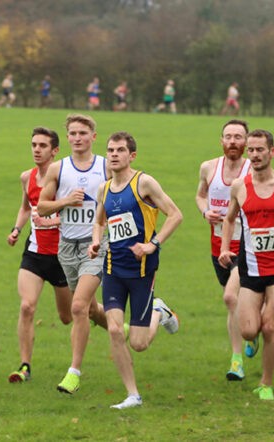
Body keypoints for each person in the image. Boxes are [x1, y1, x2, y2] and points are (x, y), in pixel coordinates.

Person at [89, 131, 183, 409]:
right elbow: (99, 222)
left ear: (132, 155)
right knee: (116, 331)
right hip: (113, 268)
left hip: (142, 271)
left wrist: (153, 244)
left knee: (139, 344)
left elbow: (176, 214)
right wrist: (95, 242)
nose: (113, 154)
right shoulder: (103, 189)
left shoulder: (144, 182)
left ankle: (159, 311)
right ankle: (133, 395)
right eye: (110, 150)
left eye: (119, 150)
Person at [218, 129, 274, 400]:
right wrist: (225, 248)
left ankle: (266, 383)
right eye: (252, 150)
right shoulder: (240, 186)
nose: (255, 155)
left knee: (270, 326)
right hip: (250, 267)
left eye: (260, 150)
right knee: (248, 329)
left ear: (273, 152)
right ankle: (252, 338)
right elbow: (229, 219)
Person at [36, 114, 109, 395]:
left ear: (93, 136)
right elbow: (42, 207)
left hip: (97, 245)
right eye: (73, 133)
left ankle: (73, 373)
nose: (78, 138)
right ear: (67, 138)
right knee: (89, 308)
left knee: (77, 307)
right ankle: (122, 327)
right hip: (67, 246)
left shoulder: (105, 166)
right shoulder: (58, 168)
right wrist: (66, 201)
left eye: (83, 133)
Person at [6, 127, 72, 383]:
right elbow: (26, 208)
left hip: (63, 256)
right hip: (34, 254)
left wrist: (54, 215)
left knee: (70, 316)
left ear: (55, 151)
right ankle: (25, 366)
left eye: (43, 146)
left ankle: (110, 321)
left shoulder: (65, 178)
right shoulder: (27, 177)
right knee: (26, 306)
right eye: (34, 144)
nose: (36, 149)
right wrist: (16, 229)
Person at [195, 119, 251, 381]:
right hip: (219, 247)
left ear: (247, 141)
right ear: (221, 141)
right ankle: (251, 330)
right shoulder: (208, 167)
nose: (232, 141)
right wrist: (206, 211)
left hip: (248, 247)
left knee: (231, 298)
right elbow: (200, 195)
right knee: (239, 304)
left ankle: (236, 361)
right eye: (228, 136)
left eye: (238, 137)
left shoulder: (254, 170)